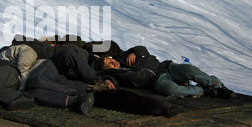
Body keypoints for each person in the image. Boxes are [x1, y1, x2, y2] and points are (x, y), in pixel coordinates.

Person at [99, 46, 235, 99]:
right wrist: (108, 80)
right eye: (109, 65)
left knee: (189, 70)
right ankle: (203, 91)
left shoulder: (123, 56)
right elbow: (107, 78)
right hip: (156, 81)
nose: (113, 63)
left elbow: (143, 49)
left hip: (166, 67)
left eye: (110, 60)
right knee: (172, 89)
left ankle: (218, 85)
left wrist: (135, 52)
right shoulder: (116, 75)